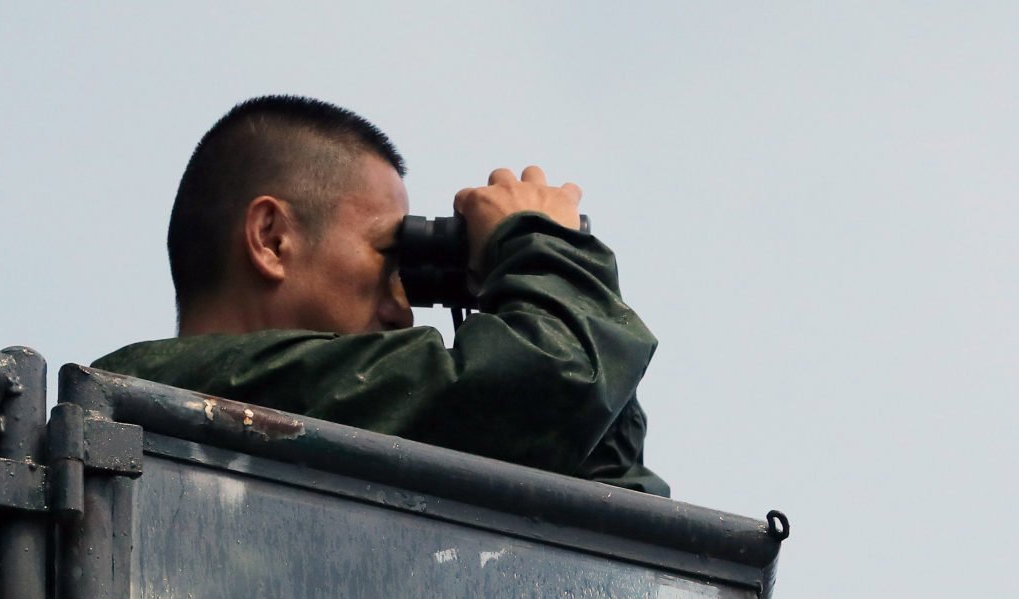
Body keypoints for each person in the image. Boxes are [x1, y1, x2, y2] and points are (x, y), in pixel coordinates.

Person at [95, 94, 668, 495]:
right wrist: (540, 247)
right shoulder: (164, 399)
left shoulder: (344, 463)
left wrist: (524, 279)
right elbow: (554, 378)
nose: (403, 308)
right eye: (388, 259)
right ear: (272, 239)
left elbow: (614, 517)